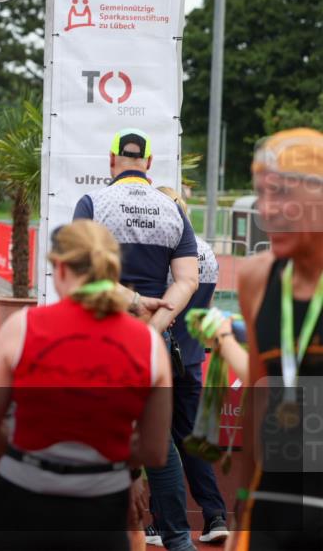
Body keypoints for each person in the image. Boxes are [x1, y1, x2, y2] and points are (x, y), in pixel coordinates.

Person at [0, 220, 173, 550]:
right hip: (102, 502)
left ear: (61, 268)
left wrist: (28, 445)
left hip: (23, 495)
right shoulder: (149, 344)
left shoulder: (22, 327)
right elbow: (154, 450)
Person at [73, 128, 199, 551]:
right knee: (158, 440)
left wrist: (129, 301)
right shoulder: (172, 209)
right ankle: (178, 539)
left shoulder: (93, 203)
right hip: (151, 340)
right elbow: (187, 280)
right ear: (148, 163)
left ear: (112, 161)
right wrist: (155, 322)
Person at [224, 128, 323, 551]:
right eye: (261, 194)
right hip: (272, 505)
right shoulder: (256, 278)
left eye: (281, 194)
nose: (265, 211)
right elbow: (257, 400)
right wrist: (241, 510)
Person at [153, 186, 229, 544]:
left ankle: (160, 523)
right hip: (193, 357)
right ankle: (214, 515)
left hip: (161, 357)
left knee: (156, 437)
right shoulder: (207, 252)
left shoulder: (165, 255)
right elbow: (204, 305)